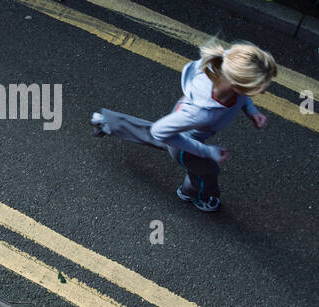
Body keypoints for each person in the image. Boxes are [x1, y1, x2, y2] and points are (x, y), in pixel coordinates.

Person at [92, 40, 277, 212]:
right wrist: (207, 151)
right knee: (207, 171)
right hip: (188, 139)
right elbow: (160, 131)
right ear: (237, 84)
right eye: (259, 87)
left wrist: (252, 112)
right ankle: (194, 194)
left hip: (183, 116)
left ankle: (107, 122)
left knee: (160, 135)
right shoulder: (201, 113)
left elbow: (242, 97)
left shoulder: (230, 62)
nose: (263, 90)